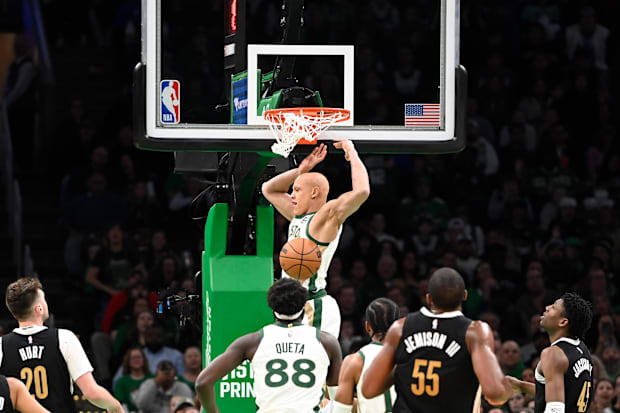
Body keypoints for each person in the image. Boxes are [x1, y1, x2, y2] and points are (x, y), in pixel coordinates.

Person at [362, 268, 515, 412]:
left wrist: (406, 368)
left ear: (428, 298)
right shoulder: (475, 332)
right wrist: (509, 387)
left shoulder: (400, 327)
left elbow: (369, 389)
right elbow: (495, 394)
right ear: (465, 296)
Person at [261, 140, 370, 337]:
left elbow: (362, 191)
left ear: (314, 192)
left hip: (312, 304)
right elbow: (268, 189)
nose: (291, 195)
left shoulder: (325, 218)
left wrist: (351, 152)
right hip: (289, 305)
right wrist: (301, 170)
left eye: (297, 190)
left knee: (316, 366)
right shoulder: (297, 215)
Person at [195, 278, 343, 413]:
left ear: (272, 308)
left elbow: (202, 383)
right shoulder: (327, 342)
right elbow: (338, 399)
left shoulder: (252, 342)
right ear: (304, 308)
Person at [0, 277, 124, 413]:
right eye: (44, 299)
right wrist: (115, 405)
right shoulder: (64, 338)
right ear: (39, 308)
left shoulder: (2, 345)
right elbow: (91, 392)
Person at [508, 292, 594, 413]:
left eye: (553, 307)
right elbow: (563, 395)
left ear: (563, 322)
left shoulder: (553, 354)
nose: (547, 308)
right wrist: (521, 386)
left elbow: (555, 409)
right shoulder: (582, 349)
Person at [333, 298, 400, 413]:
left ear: (368, 326)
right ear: (397, 324)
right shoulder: (411, 356)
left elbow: (340, 410)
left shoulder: (354, 361)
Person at [114, 347, 152, 413]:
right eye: (133, 358)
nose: (136, 360)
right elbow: (120, 405)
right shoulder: (121, 382)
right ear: (128, 361)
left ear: (144, 359)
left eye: (139, 357)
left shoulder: (152, 379)